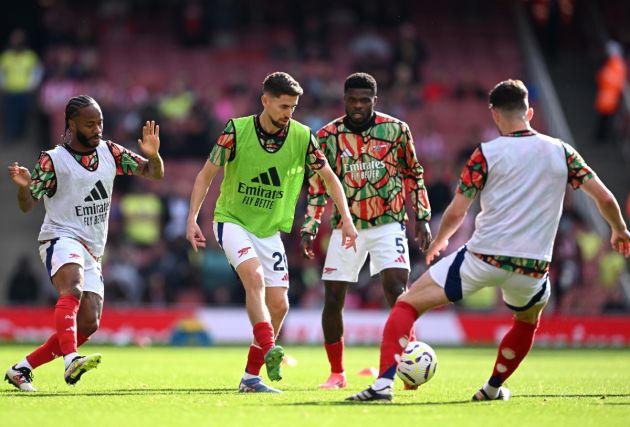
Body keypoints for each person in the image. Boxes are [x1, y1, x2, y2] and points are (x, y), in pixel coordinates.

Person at [346, 79, 630, 402]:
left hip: (482, 259)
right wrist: (619, 229)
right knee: (526, 324)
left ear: (494, 115)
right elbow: (604, 198)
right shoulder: (562, 152)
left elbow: (456, 212)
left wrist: (440, 241)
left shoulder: (485, 154)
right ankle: (492, 388)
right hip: (533, 269)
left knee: (406, 304)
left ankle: (383, 384)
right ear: (530, 112)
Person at [186, 72, 358, 393]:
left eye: (293, 107)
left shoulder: (302, 136)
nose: (288, 113)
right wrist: (192, 218)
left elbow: (330, 178)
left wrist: (346, 219)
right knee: (254, 278)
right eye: (282, 106)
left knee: (279, 306)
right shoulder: (236, 131)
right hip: (232, 220)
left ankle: (251, 378)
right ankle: (270, 347)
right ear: (264, 101)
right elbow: (205, 175)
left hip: (268, 231)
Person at [5, 95, 164, 392]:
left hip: (93, 249)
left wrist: (153, 155)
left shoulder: (111, 152)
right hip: (60, 236)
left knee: (89, 323)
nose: (97, 129)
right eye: (90, 124)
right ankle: (71, 361)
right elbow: (28, 205)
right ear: (71, 124)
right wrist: (25, 188)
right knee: (73, 288)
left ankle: (22, 368)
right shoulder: (53, 159)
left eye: (100, 123)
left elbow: (153, 172)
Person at [299, 72, 432, 390]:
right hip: (348, 226)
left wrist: (423, 217)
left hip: (389, 222)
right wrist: (311, 223)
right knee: (333, 298)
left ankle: (407, 367)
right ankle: (337, 373)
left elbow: (414, 173)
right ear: (344, 99)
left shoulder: (397, 130)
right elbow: (318, 185)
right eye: (352, 100)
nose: (358, 106)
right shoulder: (328, 135)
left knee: (398, 294)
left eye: (364, 100)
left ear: (376, 100)